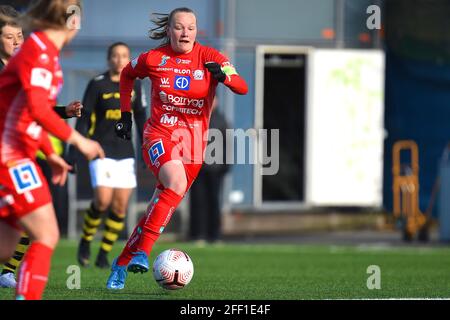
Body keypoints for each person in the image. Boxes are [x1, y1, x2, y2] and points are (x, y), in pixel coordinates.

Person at [106, 7, 247, 289]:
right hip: (159, 135)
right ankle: (144, 253)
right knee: (176, 180)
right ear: (169, 30)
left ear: (197, 31)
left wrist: (225, 76)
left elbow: (242, 87)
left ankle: (121, 264)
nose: (185, 33)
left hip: (193, 146)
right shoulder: (154, 58)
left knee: (156, 208)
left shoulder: (210, 57)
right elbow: (126, 74)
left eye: (191, 28)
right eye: (179, 27)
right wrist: (125, 115)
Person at [0, 0, 105, 300]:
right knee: (46, 234)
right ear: (73, 21)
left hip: (20, 154)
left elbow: (31, 112)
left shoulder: (45, 53)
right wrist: (79, 141)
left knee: (7, 248)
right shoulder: (38, 52)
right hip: (8, 156)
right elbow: (36, 108)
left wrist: (52, 153)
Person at [73, 41, 147, 268]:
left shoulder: (135, 85)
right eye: (115, 55)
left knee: (120, 207)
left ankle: (104, 253)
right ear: (109, 59)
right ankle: (85, 241)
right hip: (101, 150)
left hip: (125, 153)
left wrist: (146, 150)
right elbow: (83, 118)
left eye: (124, 55)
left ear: (129, 59)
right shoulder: (97, 84)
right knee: (103, 201)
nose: (119, 59)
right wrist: (75, 148)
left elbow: (142, 119)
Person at [189, 97, 231, 244]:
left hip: (215, 169)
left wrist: (226, 166)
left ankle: (215, 235)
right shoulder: (196, 117)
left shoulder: (221, 120)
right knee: (198, 201)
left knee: (214, 202)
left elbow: (228, 145)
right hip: (197, 168)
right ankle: (197, 235)